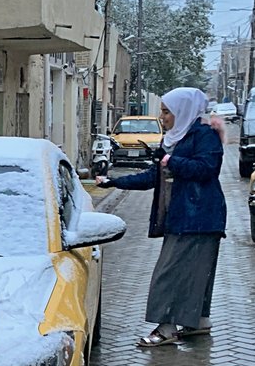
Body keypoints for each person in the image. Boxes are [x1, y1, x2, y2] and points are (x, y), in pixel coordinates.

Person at [97, 87, 226, 347]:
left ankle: (167, 327)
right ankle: (199, 321)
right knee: (195, 272)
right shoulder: (176, 139)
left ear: (183, 111)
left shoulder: (204, 135)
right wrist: (114, 182)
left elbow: (207, 169)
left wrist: (170, 160)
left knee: (169, 273)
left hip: (199, 216)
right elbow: (153, 177)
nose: (163, 117)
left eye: (167, 112)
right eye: (163, 112)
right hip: (183, 216)